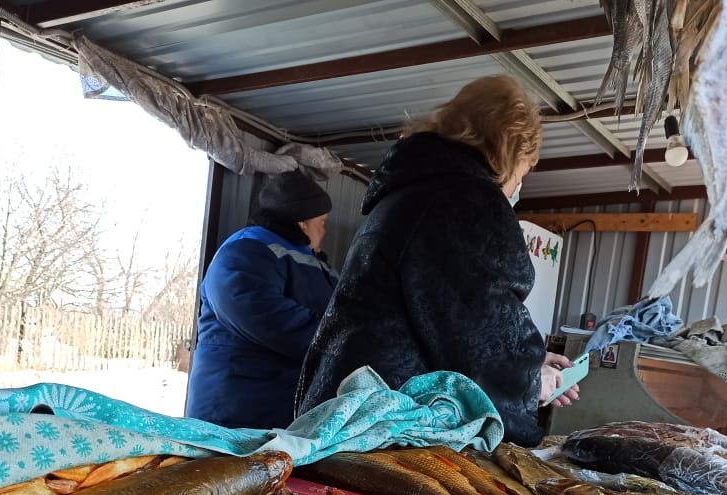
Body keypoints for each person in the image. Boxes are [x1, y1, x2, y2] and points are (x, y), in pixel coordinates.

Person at [295, 76, 577, 446]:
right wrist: (527, 382)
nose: (517, 188)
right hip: (388, 433)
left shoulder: (407, 196)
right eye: (521, 174)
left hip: (347, 413)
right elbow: (482, 337)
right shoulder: (468, 204)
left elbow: (446, 319)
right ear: (508, 153)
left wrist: (531, 364)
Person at [186, 169, 337, 429]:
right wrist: (342, 341)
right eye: (321, 221)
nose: (324, 230)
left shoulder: (314, 263)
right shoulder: (245, 250)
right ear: (302, 222)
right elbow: (265, 316)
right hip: (235, 417)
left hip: (283, 418)